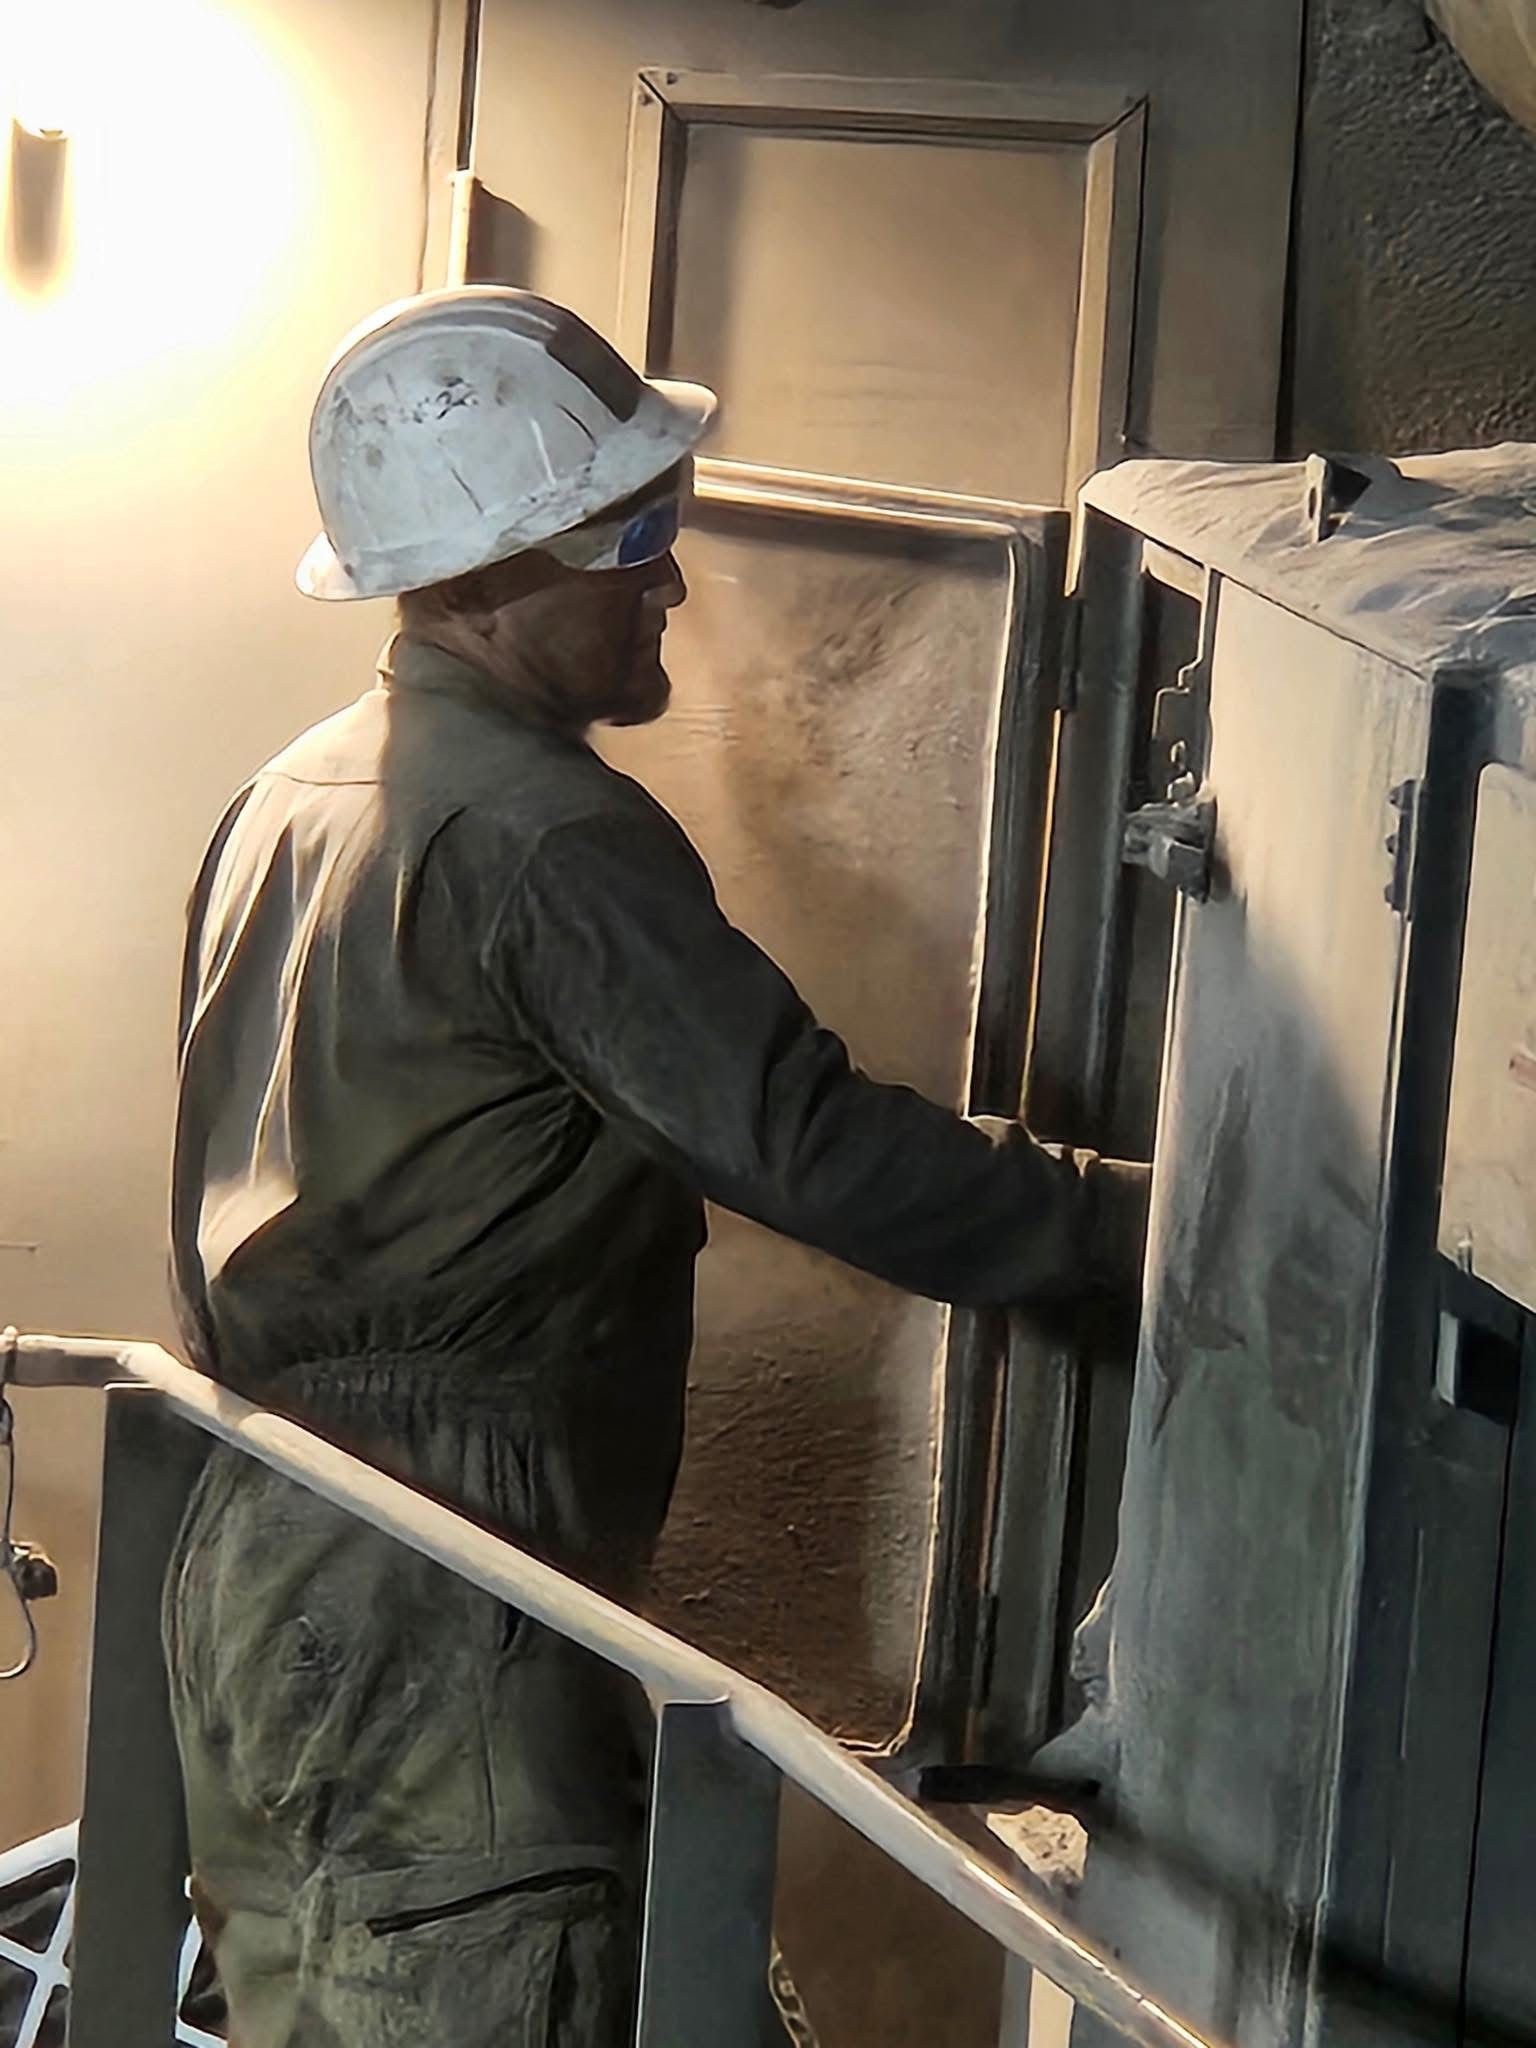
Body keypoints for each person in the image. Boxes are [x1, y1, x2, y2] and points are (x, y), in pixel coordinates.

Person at [162, 286, 1140, 2047]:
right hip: (445, 1569)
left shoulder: (288, 799)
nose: (670, 572)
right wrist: (1146, 1229)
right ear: (473, 582)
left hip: (267, 1547)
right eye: (628, 529)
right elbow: (805, 1142)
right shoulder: (547, 835)